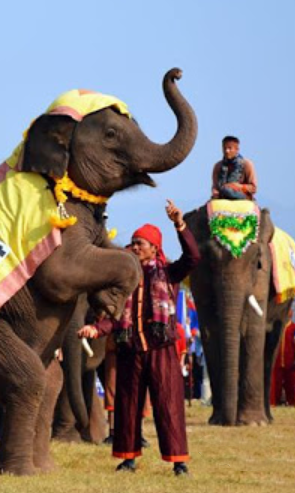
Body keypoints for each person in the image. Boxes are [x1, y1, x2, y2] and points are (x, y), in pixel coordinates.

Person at [79, 200, 200, 477]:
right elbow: (116, 314)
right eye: (133, 242)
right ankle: (128, 459)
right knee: (127, 406)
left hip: (162, 350)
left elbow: (193, 257)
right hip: (130, 351)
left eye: (140, 243)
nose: (134, 247)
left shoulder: (169, 272)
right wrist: (96, 330)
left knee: (168, 405)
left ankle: (179, 462)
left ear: (155, 248)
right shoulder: (124, 277)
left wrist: (179, 225)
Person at [211, 136, 257, 200]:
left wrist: (238, 186)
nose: (227, 151)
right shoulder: (218, 166)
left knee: (228, 191)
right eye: (224, 148)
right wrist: (215, 192)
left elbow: (253, 188)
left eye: (230, 148)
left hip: (243, 199)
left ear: (237, 149)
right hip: (222, 199)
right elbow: (215, 187)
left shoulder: (247, 164)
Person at [270, 314, 295, 407]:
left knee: (291, 384)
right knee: (275, 385)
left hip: (290, 361)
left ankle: (292, 403)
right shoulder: (275, 327)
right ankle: (273, 403)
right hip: (277, 361)